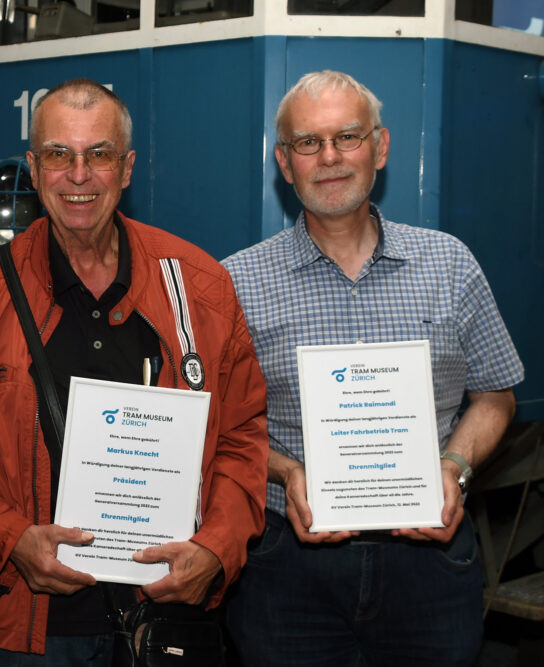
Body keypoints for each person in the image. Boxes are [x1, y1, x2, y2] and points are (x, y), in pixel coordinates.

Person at [0, 78, 268, 664]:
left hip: (168, 615)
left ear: (128, 167)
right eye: (60, 155)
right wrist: (11, 542)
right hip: (33, 627)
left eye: (100, 155)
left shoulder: (200, 284)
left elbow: (242, 438)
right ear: (34, 171)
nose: (80, 175)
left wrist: (215, 550)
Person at [222, 70, 525, 666]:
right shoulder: (236, 282)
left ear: (380, 148)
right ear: (285, 163)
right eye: (308, 142)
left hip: (431, 565)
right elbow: (221, 428)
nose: (329, 157)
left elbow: (495, 396)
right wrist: (285, 473)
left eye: (348, 137)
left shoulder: (450, 265)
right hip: (286, 571)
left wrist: (454, 465)